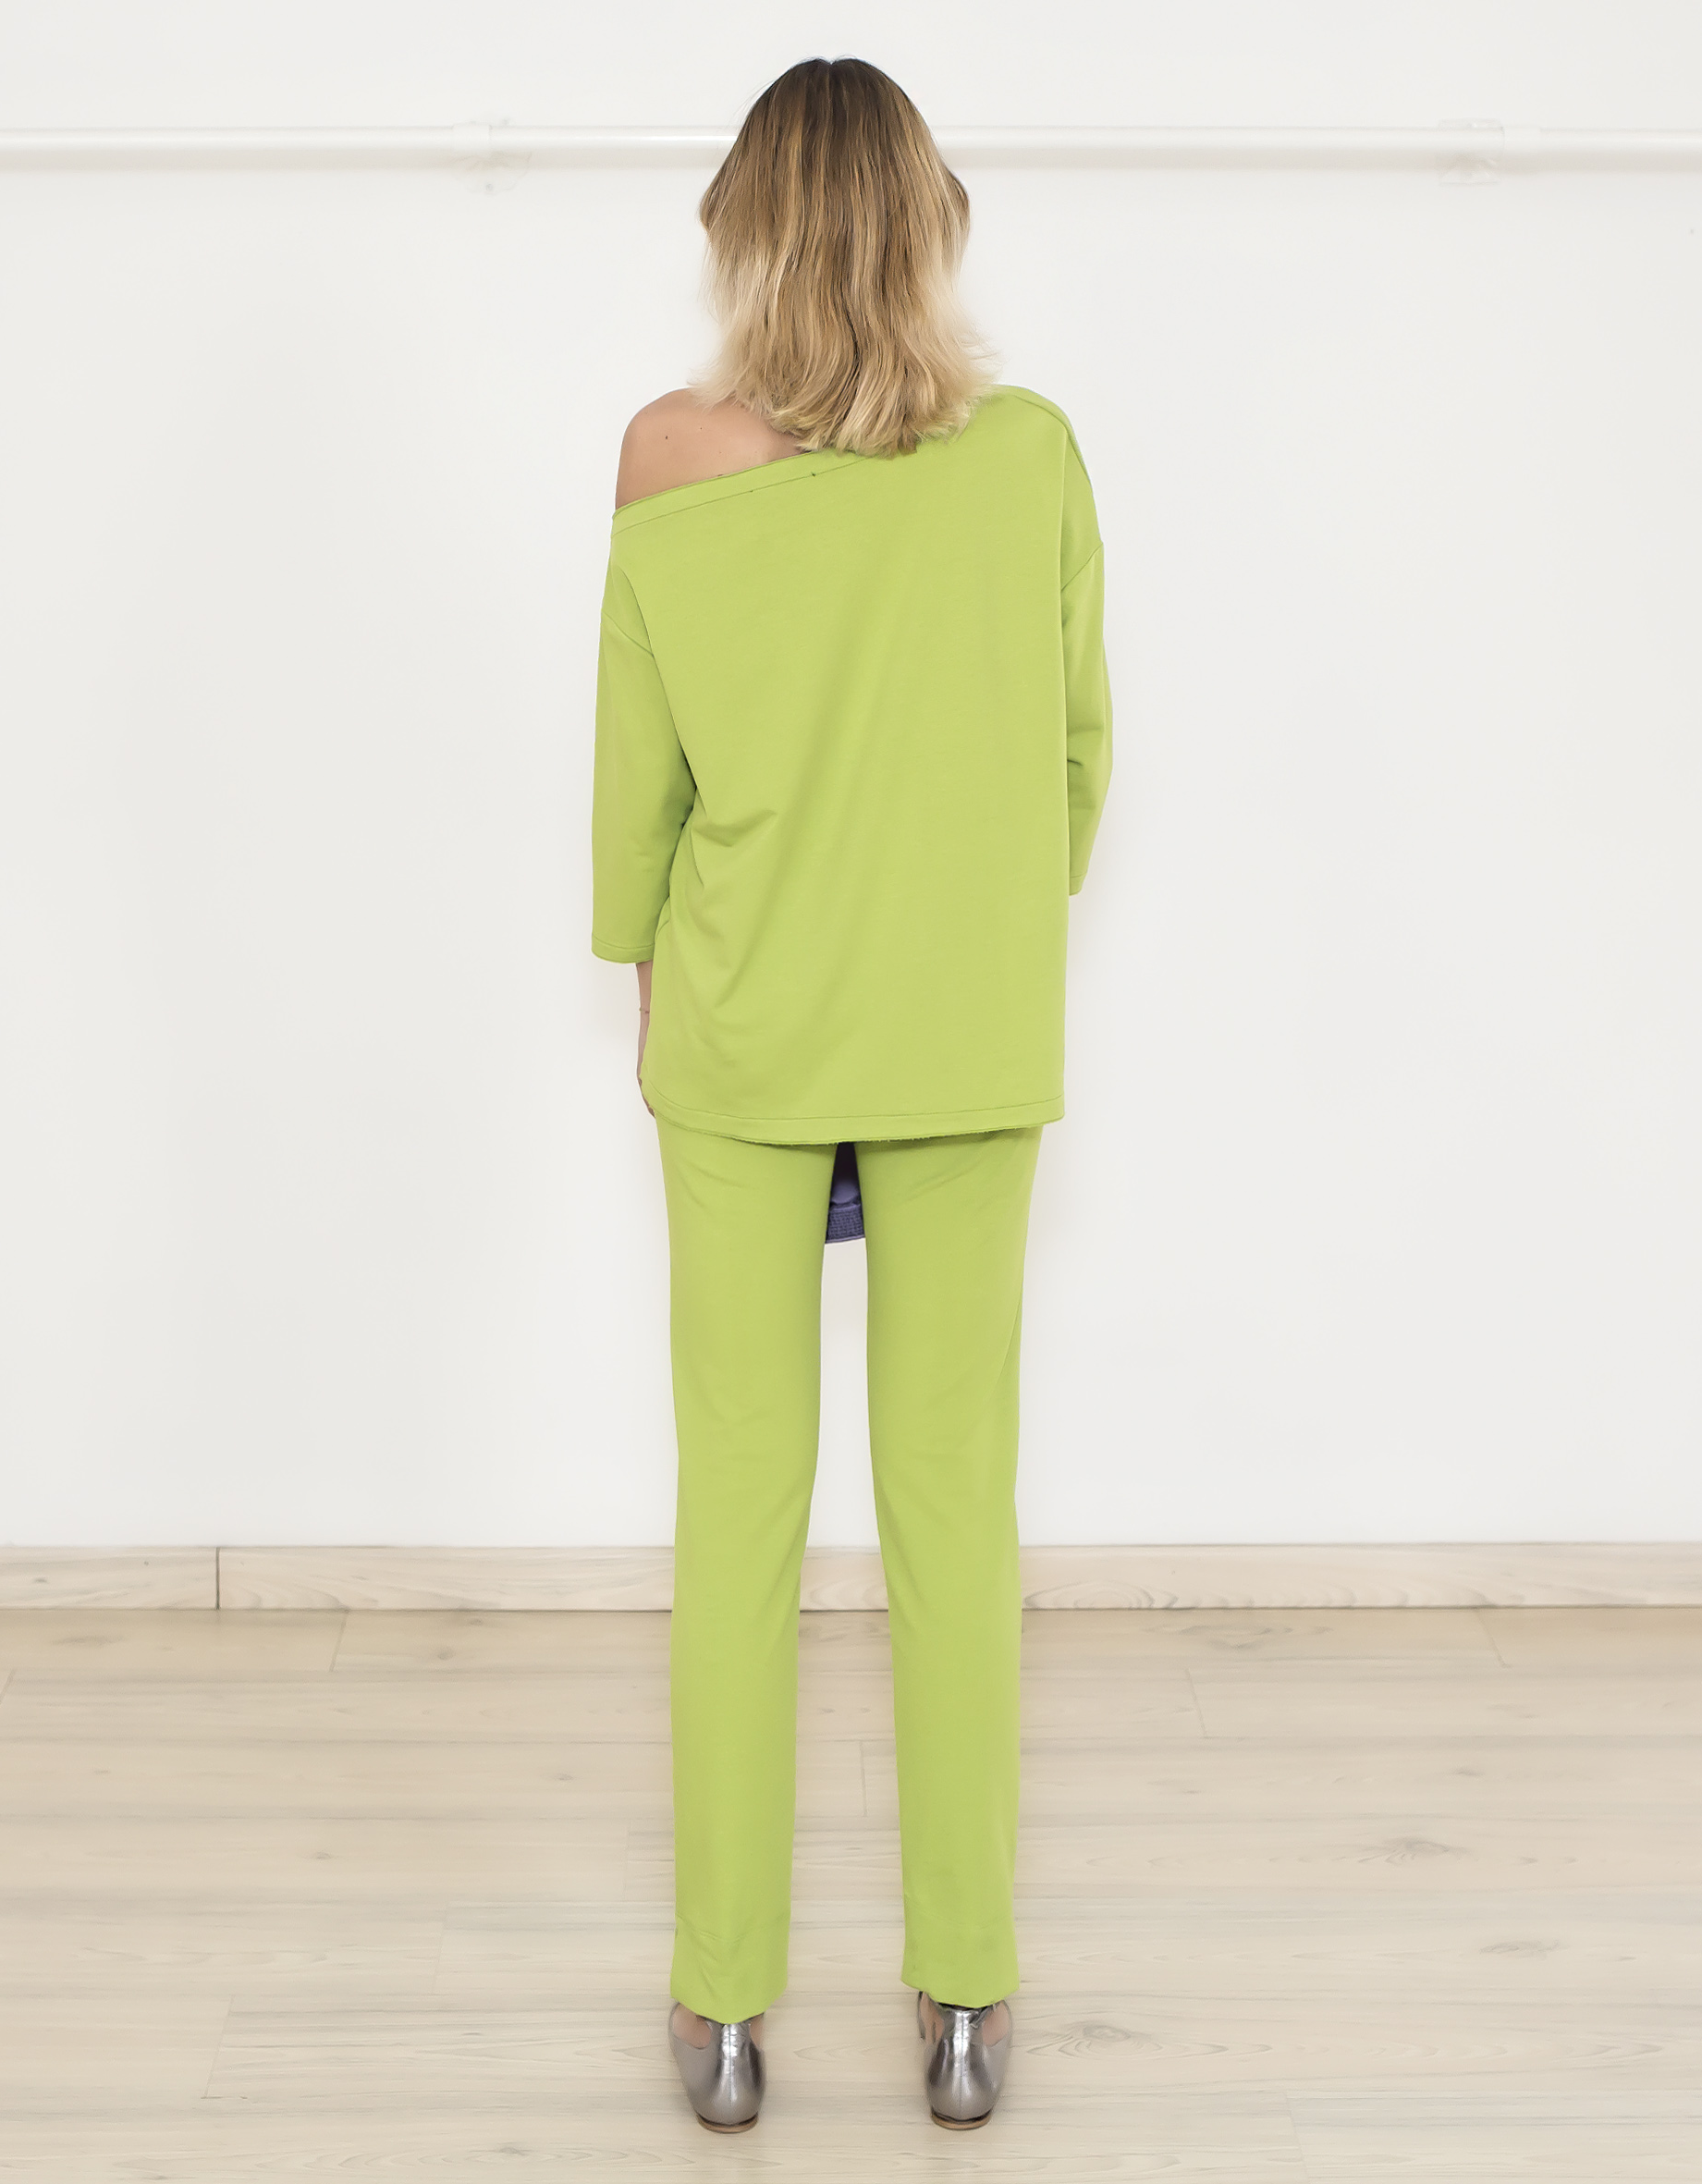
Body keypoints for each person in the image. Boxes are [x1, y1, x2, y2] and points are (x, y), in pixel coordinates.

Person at [591, 55, 1112, 2134]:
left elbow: (639, 789)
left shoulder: (665, 456)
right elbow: (1075, 757)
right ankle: (963, 1998)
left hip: (742, 1032)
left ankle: (724, 2009)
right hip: (964, 1029)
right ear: (928, 224)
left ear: (746, 233)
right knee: (951, 1510)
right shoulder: (1031, 452)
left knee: (736, 1509)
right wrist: (961, 925)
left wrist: (655, 977)